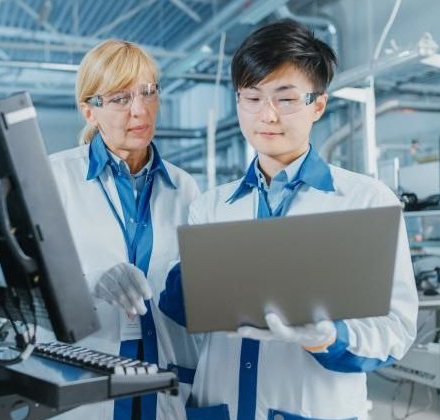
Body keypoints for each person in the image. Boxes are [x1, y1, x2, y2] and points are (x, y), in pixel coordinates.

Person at [159, 19, 418, 420]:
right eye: (252, 98)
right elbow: (183, 310)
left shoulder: (365, 201)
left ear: (318, 104)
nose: (268, 115)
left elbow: (396, 328)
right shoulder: (211, 206)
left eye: (286, 98)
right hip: (219, 409)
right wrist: (180, 283)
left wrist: (329, 339)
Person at [47, 39, 200, 420]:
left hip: (167, 387)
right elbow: (27, 287)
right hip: (85, 389)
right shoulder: (53, 178)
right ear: (89, 111)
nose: (139, 110)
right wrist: (91, 281)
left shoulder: (185, 189)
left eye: (148, 93)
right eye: (119, 98)